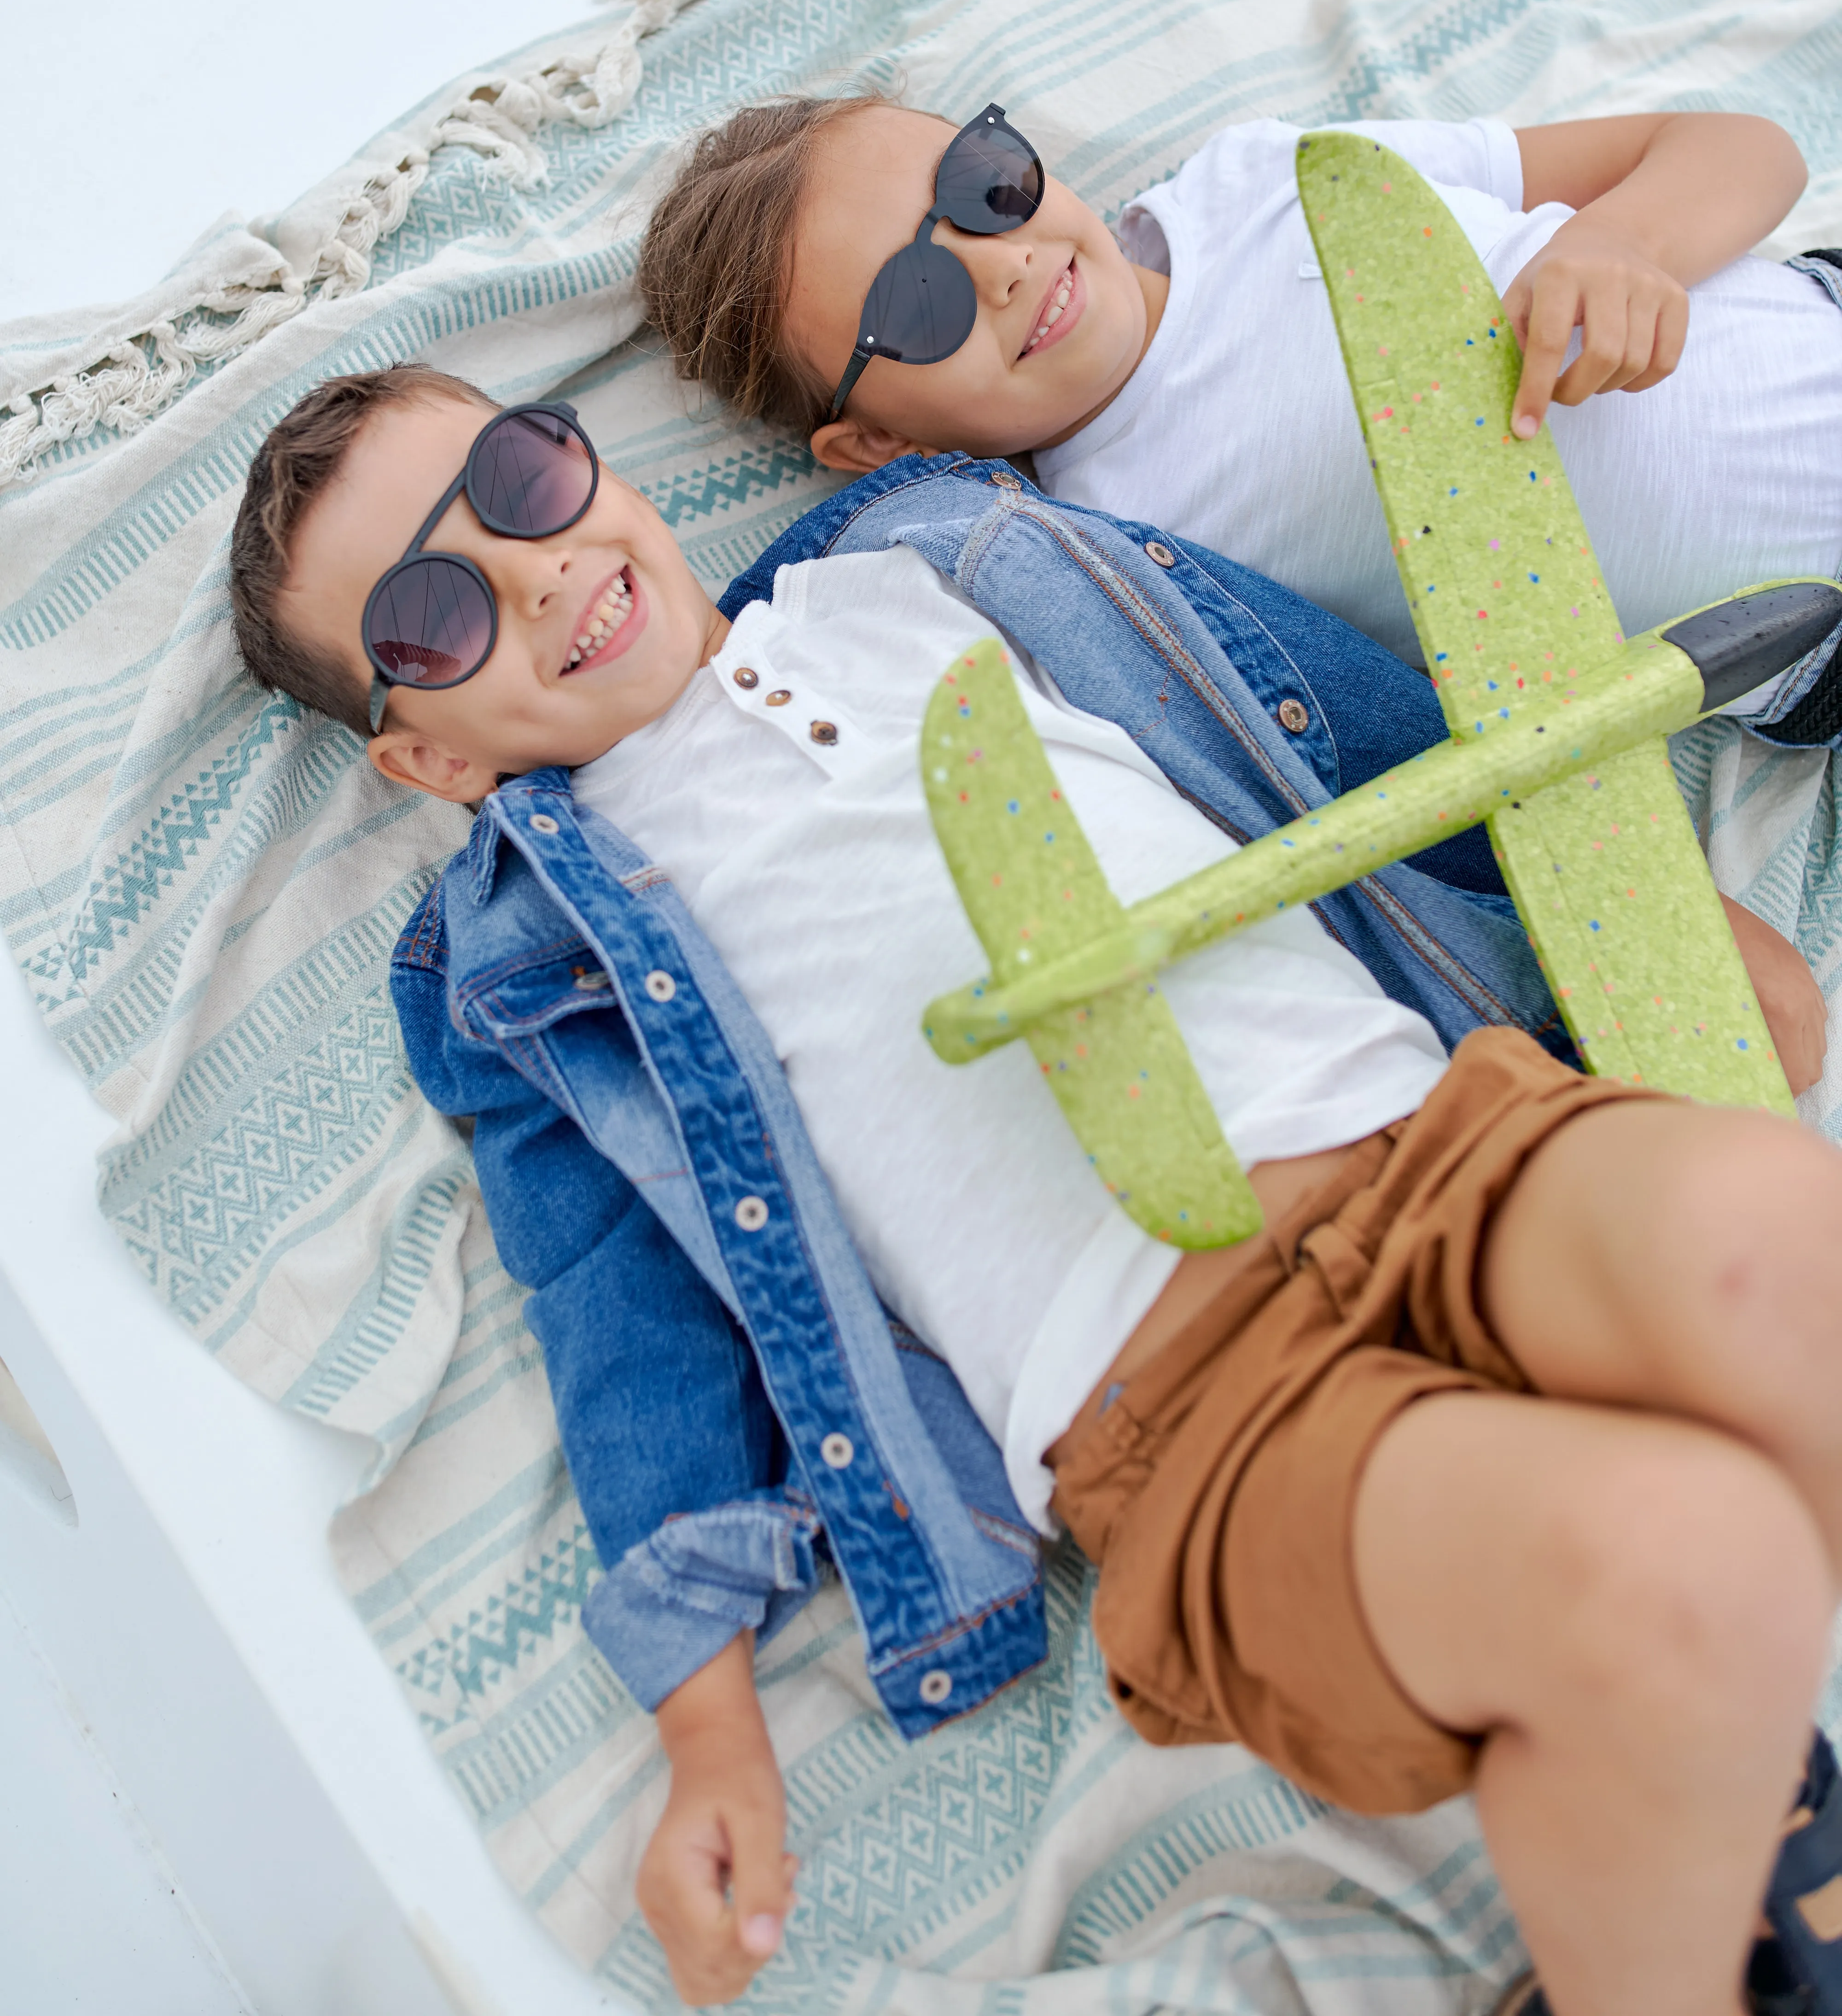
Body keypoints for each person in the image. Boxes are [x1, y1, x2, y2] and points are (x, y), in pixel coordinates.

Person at [232, 364, 1842, 2016]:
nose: (533, 571)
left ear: (587, 459)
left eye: (518, 476)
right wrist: (705, 1727)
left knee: (1788, 1241)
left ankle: (1720, 1774)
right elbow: (616, 1318)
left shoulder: (944, 555)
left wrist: (1632, 903)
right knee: (1683, 1574)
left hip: (1447, 1147)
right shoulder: (531, 956)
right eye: (433, 616)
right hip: (1196, 1402)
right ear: (422, 758)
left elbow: (1326, 712)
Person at [636, 96, 1842, 741]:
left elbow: (1738, 145)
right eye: (915, 299)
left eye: (980, 186)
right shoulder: (1117, 554)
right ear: (884, 445)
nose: (996, 264)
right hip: (1813, 652)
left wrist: (1625, 241)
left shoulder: (1265, 181)